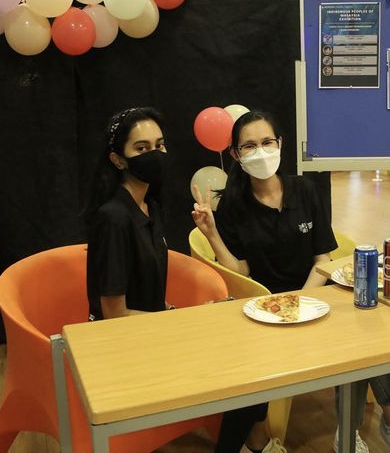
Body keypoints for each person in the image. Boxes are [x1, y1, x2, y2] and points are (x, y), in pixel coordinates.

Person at [192, 110, 390, 453]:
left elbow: (323, 260)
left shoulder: (304, 190)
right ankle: (271, 438)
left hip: (314, 295)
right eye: (249, 146)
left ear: (280, 144)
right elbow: (240, 271)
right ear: (235, 154)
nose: (260, 152)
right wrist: (212, 235)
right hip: (267, 308)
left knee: (370, 330)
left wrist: (302, 301)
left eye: (267, 142)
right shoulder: (233, 204)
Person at [85, 107, 285, 453]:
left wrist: (182, 314)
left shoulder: (148, 206)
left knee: (248, 342)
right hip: (121, 347)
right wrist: (183, 324)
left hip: (150, 332)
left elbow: (145, 292)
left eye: (159, 145)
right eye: (142, 148)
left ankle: (253, 441)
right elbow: (114, 316)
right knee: (245, 360)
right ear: (117, 159)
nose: (155, 155)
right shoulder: (114, 219)